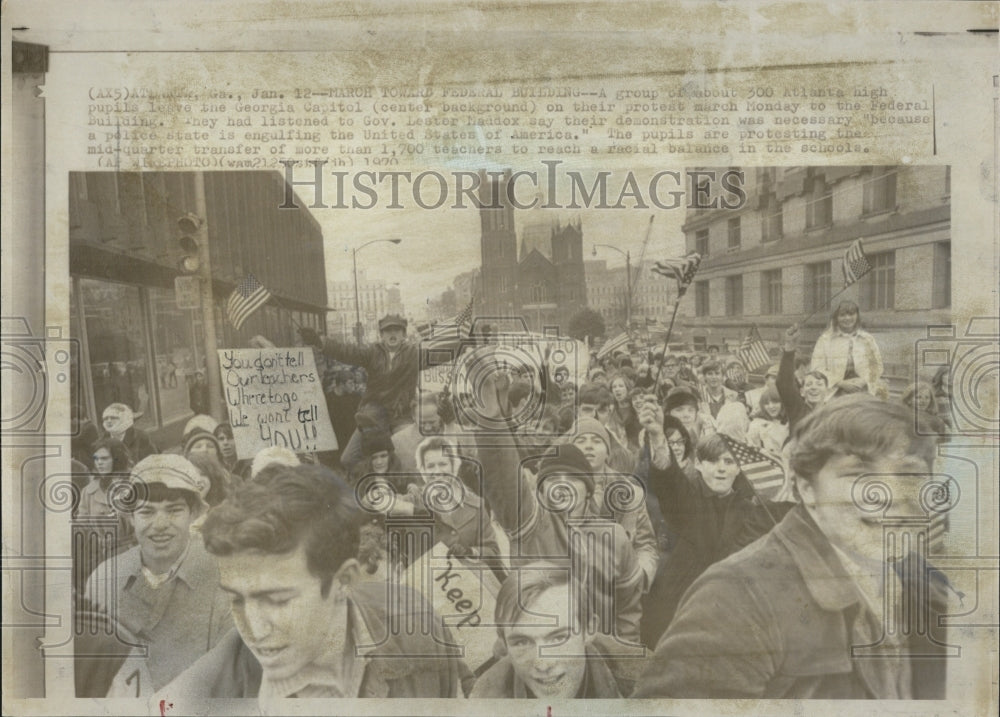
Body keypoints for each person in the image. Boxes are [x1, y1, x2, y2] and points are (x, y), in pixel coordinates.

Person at [633, 395, 954, 699]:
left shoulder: (931, 591)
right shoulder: (734, 600)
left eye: (908, 474)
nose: (886, 494)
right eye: (857, 473)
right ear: (806, 487)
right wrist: (659, 441)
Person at [159, 463, 472, 701]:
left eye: (278, 599)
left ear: (344, 581)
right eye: (237, 599)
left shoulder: (418, 627)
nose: (253, 629)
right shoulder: (198, 696)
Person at [636, 401, 786, 645]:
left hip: (730, 611)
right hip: (679, 608)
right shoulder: (689, 498)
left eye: (729, 462)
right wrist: (656, 436)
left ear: (739, 469)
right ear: (698, 464)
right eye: (713, 461)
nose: (721, 470)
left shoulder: (751, 510)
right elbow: (669, 481)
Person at [84, 454, 233, 693]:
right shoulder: (104, 580)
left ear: (193, 514)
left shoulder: (226, 578)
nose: (160, 523)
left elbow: (235, 680)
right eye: (146, 512)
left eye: (173, 510)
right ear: (131, 518)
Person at [301, 314, 458, 473]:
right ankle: (377, 482)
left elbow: (439, 353)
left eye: (396, 330)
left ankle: (405, 489)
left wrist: (464, 343)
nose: (392, 334)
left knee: (407, 455)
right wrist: (320, 342)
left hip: (401, 416)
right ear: (381, 335)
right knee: (348, 459)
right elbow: (347, 351)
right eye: (387, 330)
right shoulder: (372, 353)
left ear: (403, 334)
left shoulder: (413, 353)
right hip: (374, 415)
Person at [471, 563, 643, 698]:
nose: (543, 664)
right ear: (504, 643)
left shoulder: (645, 680)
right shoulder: (485, 697)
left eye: (558, 638)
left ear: (589, 629)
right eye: (522, 642)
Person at [810, 300, 884, 394]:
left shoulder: (867, 339)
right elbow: (817, 368)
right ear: (836, 317)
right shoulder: (825, 340)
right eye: (842, 315)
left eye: (851, 314)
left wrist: (863, 381)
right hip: (834, 391)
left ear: (857, 316)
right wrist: (841, 383)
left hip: (863, 389)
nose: (847, 318)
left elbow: (877, 366)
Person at [778, 324, 830, 430]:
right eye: (809, 384)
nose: (814, 387)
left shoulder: (833, 414)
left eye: (819, 384)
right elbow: (784, 384)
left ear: (828, 391)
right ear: (802, 391)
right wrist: (789, 348)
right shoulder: (797, 409)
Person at [78, 437, 132, 517]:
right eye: (96, 459)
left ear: (117, 459)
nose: (99, 462)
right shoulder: (87, 492)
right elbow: (82, 526)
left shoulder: (134, 487)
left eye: (104, 458)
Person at [746, 386, 789, 456]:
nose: (771, 406)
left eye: (775, 402)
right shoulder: (757, 423)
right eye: (767, 403)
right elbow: (752, 449)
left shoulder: (790, 422)